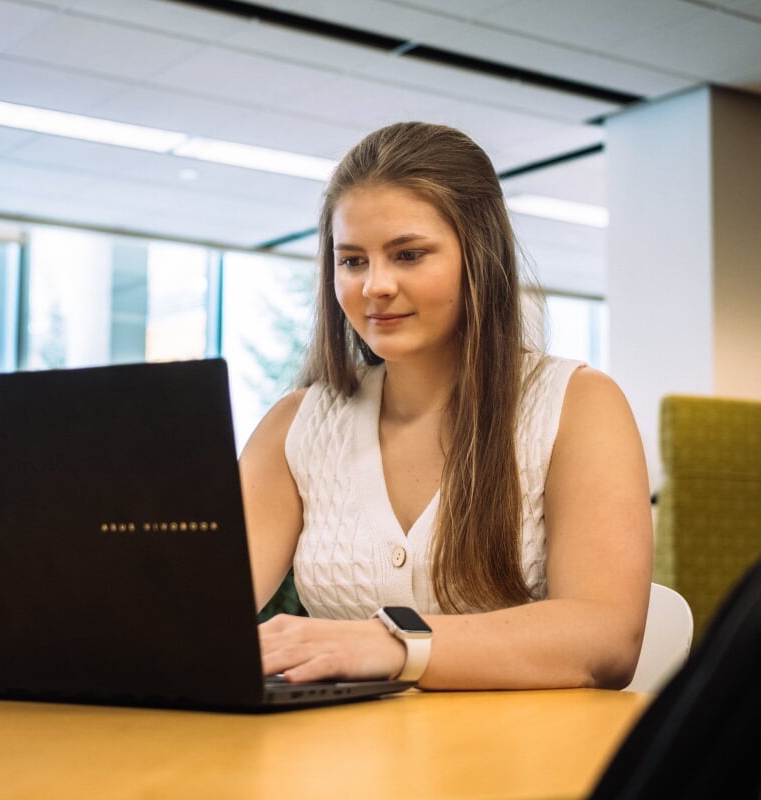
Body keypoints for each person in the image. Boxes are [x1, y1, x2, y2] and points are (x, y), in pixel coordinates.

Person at [241, 122, 653, 691]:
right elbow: (198, 608)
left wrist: (388, 644)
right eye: (353, 261)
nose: (374, 286)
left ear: (478, 257)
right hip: (343, 767)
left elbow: (606, 638)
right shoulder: (298, 424)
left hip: (519, 765)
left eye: (408, 254)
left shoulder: (578, 406)